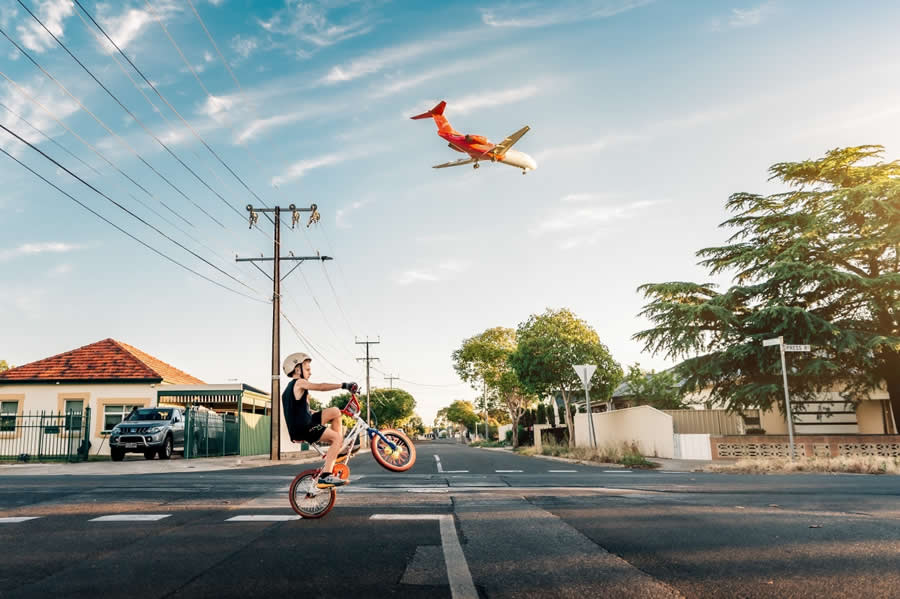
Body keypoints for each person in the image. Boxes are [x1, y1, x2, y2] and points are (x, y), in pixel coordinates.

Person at [282, 352, 358, 488]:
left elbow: (298, 412)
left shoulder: (288, 389)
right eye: (307, 369)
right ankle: (325, 476)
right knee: (336, 438)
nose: (310, 373)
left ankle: (337, 451)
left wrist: (314, 412)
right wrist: (343, 385)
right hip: (304, 427)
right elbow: (321, 387)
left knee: (335, 411)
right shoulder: (299, 382)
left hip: (305, 423)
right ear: (297, 370)